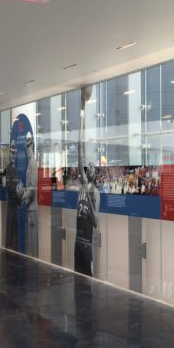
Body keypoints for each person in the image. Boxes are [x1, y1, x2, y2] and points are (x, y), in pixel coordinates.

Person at [74, 86, 100, 277]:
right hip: (77, 240)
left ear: (95, 172)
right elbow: (79, 151)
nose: (88, 167)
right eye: (88, 166)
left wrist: (90, 201)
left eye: (92, 166)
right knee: (77, 279)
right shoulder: (83, 183)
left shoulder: (95, 192)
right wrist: (82, 111)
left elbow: (97, 222)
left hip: (87, 243)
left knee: (88, 282)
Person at [17, 132, 38, 256]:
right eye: (27, 146)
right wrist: (22, 190)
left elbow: (33, 187)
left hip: (32, 208)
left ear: (32, 145)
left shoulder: (33, 163)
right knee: (30, 243)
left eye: (29, 146)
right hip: (29, 207)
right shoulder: (30, 163)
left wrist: (24, 194)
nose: (28, 149)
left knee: (32, 243)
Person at [5, 141, 20, 250]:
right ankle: (8, 247)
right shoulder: (9, 168)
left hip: (16, 202)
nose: (13, 155)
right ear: (10, 154)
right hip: (11, 201)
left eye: (14, 153)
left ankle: (14, 247)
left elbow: (16, 182)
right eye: (12, 153)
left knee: (15, 227)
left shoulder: (16, 168)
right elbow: (9, 185)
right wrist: (17, 190)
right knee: (10, 226)